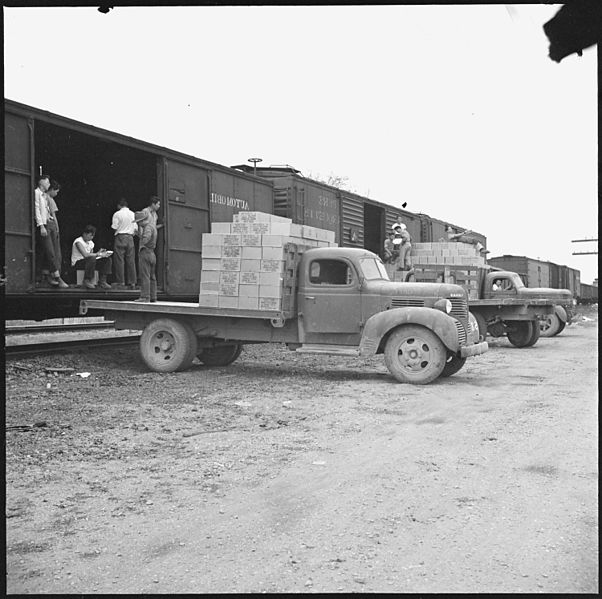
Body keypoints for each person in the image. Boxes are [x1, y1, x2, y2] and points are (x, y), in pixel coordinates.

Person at [34, 174, 68, 288]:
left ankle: (50, 276)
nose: (48, 184)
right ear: (41, 181)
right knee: (50, 252)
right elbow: (37, 210)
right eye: (47, 181)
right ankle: (57, 277)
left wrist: (48, 217)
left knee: (49, 252)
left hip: (47, 223)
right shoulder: (37, 193)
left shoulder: (44, 196)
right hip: (44, 226)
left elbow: (45, 211)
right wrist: (42, 226)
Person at [134, 196, 161, 302]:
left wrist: (140, 236)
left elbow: (146, 237)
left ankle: (145, 296)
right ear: (153, 204)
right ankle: (153, 296)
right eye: (158, 204)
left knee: (145, 274)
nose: (159, 206)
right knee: (152, 276)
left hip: (146, 249)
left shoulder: (148, 225)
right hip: (152, 251)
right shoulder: (146, 212)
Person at [71, 225, 113, 289]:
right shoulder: (78, 242)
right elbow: (85, 255)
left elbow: (92, 254)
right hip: (78, 262)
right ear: (85, 234)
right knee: (91, 259)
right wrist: (97, 254)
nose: (92, 237)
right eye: (90, 235)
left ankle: (102, 281)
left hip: (89, 262)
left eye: (93, 236)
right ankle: (87, 280)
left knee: (107, 259)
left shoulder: (91, 243)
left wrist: (100, 253)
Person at [111, 198, 138, 289]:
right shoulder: (133, 214)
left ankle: (121, 282)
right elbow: (135, 229)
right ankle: (132, 282)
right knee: (131, 260)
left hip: (120, 237)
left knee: (119, 260)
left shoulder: (117, 214)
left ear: (119, 205)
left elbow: (115, 227)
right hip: (130, 238)